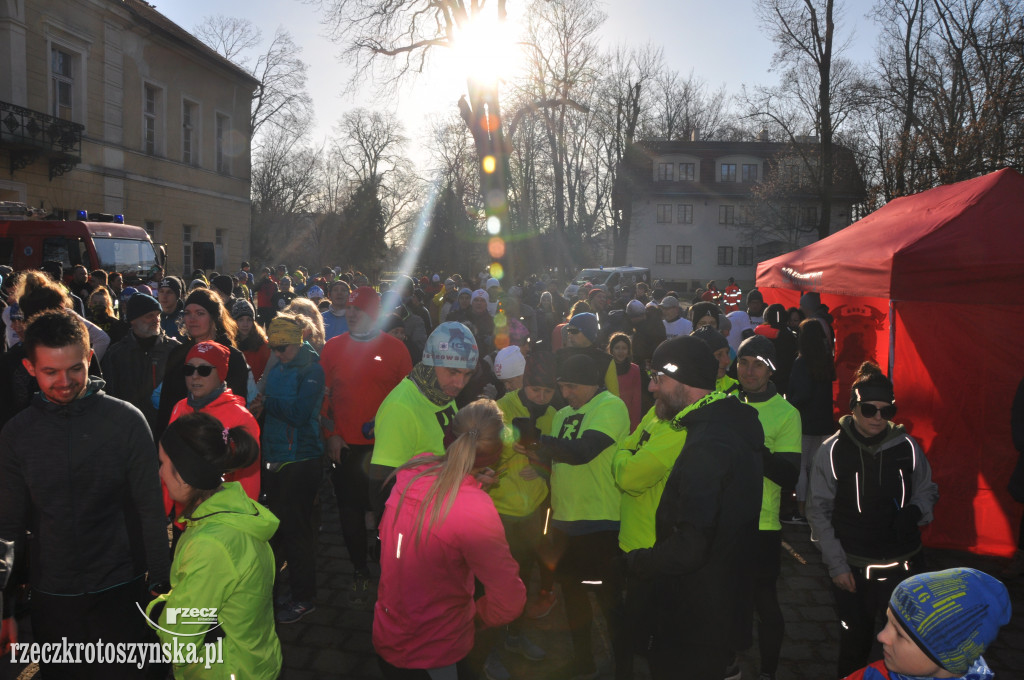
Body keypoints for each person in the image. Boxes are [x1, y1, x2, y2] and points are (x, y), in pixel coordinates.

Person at [0, 308, 170, 678]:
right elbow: (8, 527)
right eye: (50, 371)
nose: (65, 381)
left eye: (75, 368)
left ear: (90, 358)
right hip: (54, 597)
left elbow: (150, 510)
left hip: (122, 589)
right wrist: (5, 607)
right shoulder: (17, 434)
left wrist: (161, 583)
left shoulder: (126, 421)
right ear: (30, 368)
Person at [623, 335, 766, 680]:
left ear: (684, 380)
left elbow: (691, 546)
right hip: (718, 602)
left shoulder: (708, 443)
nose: (652, 388)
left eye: (658, 378)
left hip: (695, 614)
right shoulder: (726, 423)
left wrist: (635, 562)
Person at [373, 400, 526, 680]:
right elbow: (509, 601)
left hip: (388, 634)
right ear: (494, 456)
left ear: (450, 438)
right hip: (437, 650)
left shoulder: (410, 475)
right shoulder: (473, 508)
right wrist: (477, 616)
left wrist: (473, 479)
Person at [807, 361, 940, 678]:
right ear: (853, 408)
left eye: (886, 410)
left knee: (906, 646)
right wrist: (837, 565)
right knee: (854, 642)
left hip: (906, 565)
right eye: (869, 409)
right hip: (854, 569)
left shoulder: (907, 447)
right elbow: (818, 511)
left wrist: (916, 511)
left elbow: (928, 488)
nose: (878, 417)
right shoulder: (832, 450)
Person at [516, 354, 630, 680]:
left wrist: (540, 441)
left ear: (593, 382)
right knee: (573, 599)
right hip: (564, 522)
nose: (566, 394)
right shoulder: (563, 414)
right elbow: (558, 459)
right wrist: (535, 456)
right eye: (562, 387)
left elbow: (583, 451)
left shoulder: (611, 406)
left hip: (600, 522)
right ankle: (584, 661)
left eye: (572, 387)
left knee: (610, 604)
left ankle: (624, 670)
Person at [148, 412, 282, 679]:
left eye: (162, 462)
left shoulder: (210, 544)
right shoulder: (235, 512)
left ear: (185, 475)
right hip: (254, 661)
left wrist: (158, 609)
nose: (160, 471)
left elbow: (179, 641)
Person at [320, 287, 412, 603]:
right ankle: (359, 568)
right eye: (349, 307)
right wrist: (329, 434)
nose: (350, 312)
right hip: (344, 446)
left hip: (386, 448)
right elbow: (323, 398)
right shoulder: (332, 348)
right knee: (349, 511)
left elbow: (409, 402)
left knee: (387, 512)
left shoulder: (397, 349)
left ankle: (387, 564)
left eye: (358, 309)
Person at [731, 335, 802, 680]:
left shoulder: (786, 413)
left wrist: (754, 446)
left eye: (758, 363)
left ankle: (768, 672)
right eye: (743, 362)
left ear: (771, 369)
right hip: (721, 518)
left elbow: (789, 475)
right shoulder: (724, 400)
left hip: (761, 524)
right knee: (723, 596)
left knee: (764, 602)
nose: (748, 370)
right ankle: (727, 665)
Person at [250, 314, 325, 624]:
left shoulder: (312, 370)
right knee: (281, 532)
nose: (278, 354)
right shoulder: (278, 366)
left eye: (284, 348)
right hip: (276, 457)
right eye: (274, 348)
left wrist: (268, 404)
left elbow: (299, 413)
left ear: (298, 342)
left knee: (297, 533)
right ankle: (288, 590)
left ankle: (304, 598)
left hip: (302, 460)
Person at [841, 568, 1011, 680]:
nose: (881, 636)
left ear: (948, 652)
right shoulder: (874, 674)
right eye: (888, 622)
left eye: (900, 633)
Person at [168, 341, 261, 505]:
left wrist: (238, 522)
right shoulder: (180, 408)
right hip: (184, 515)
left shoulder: (241, 418)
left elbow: (248, 479)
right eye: (189, 369)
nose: (195, 376)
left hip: (220, 517)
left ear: (221, 374)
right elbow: (170, 465)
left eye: (204, 370)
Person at [156, 289, 250, 440]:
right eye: (187, 313)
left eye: (200, 313)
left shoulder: (232, 357)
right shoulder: (178, 354)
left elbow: (237, 410)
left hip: (217, 444)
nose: (192, 319)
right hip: (179, 444)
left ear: (213, 317)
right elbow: (166, 407)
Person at [102, 292, 182, 434]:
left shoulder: (174, 350)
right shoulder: (116, 354)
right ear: (133, 320)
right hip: (127, 430)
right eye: (149, 316)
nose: (156, 320)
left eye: (157, 315)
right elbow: (110, 395)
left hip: (166, 429)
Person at [785, 318, 837, 524]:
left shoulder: (801, 361)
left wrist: (790, 404)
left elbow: (802, 393)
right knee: (816, 467)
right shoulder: (826, 359)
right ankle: (818, 508)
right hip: (823, 420)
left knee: (802, 466)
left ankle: (801, 510)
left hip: (804, 420)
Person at [556, 312, 620, 397]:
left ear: (588, 333)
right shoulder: (560, 356)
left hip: (595, 409)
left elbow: (614, 396)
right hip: (564, 409)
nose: (570, 335)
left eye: (574, 331)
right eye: (568, 331)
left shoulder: (606, 360)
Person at [609, 332, 642, 431]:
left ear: (628, 351)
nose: (620, 351)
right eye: (617, 348)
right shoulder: (607, 367)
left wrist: (634, 425)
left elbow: (636, 399)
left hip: (627, 414)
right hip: (608, 413)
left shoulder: (634, 369)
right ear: (611, 350)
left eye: (624, 348)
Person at [232, 298, 271, 381]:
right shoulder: (229, 344)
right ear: (234, 322)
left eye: (249, 320)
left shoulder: (263, 345)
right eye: (241, 320)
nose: (245, 324)